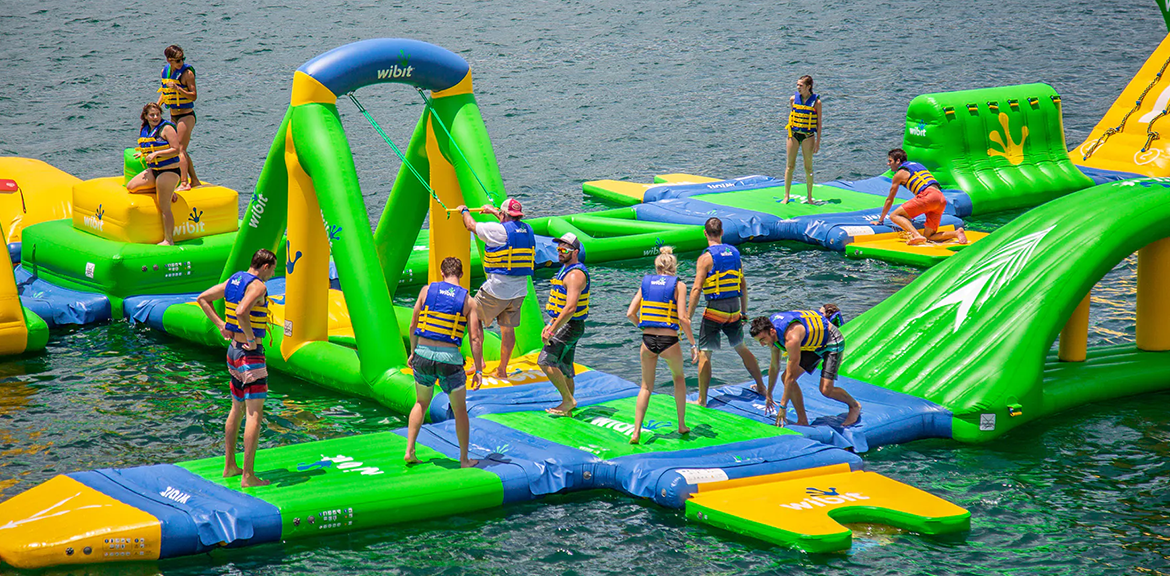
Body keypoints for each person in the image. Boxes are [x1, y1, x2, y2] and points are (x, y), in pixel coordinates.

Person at [195, 248, 278, 488]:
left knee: (236, 408)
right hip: (250, 354)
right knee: (254, 414)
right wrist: (251, 339)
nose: (272, 275)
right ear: (265, 266)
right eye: (272, 270)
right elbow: (242, 311)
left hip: (232, 351)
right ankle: (248, 476)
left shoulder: (235, 279)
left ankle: (230, 466)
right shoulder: (258, 286)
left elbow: (203, 298)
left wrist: (221, 324)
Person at [404, 257, 484, 468]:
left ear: (442, 273)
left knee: (421, 403)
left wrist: (413, 352)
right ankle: (465, 459)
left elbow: (413, 325)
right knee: (459, 410)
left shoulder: (425, 291)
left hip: (423, 355)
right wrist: (478, 369)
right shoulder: (469, 301)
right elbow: (475, 338)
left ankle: (410, 451)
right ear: (461, 274)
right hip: (449, 361)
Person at [687, 217, 765, 406]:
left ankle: (702, 400)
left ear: (705, 233)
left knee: (705, 354)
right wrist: (744, 311)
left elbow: (697, 289)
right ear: (722, 233)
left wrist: (687, 316)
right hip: (734, 309)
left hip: (715, 310)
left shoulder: (705, 258)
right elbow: (742, 285)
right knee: (741, 348)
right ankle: (762, 386)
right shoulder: (735, 254)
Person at [455, 198, 534, 379]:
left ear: (504, 215)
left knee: (473, 315)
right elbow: (507, 222)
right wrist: (492, 210)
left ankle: (478, 361)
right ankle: (502, 369)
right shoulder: (528, 230)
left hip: (497, 289)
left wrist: (464, 210)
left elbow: (471, 225)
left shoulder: (496, 230)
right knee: (508, 329)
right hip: (520, 290)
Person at [626, 246, 698, 444]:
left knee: (646, 386)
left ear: (657, 267)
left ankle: (636, 432)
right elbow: (683, 318)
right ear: (674, 267)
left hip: (647, 341)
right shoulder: (679, 285)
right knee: (678, 379)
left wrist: (643, 328)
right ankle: (681, 424)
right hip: (669, 341)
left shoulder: (646, 285)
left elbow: (630, 313)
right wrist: (693, 344)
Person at [750, 309, 861, 427]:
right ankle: (803, 421)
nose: (762, 344)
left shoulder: (791, 338)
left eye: (762, 340)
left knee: (826, 390)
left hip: (831, 342)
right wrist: (769, 394)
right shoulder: (772, 336)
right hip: (811, 346)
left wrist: (783, 407)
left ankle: (854, 405)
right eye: (759, 341)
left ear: (772, 331)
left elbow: (791, 377)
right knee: (784, 377)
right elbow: (774, 366)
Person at [539, 233, 590, 417]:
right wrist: (550, 323)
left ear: (575, 252)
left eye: (565, 249)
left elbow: (570, 308)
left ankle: (568, 400)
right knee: (565, 367)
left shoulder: (575, 275)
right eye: (558, 248)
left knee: (545, 361)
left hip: (570, 325)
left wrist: (553, 329)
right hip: (569, 325)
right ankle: (568, 406)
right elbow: (560, 306)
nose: (560, 252)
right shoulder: (566, 270)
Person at [878, 148, 968, 246]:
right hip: (941, 198)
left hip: (928, 196)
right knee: (929, 236)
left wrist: (881, 220)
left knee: (895, 215)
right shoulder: (918, 165)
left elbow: (890, 199)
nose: (888, 164)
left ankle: (916, 235)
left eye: (890, 161)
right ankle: (956, 233)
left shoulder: (899, 174)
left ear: (898, 160)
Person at [127, 102, 181, 245]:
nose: (155, 117)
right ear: (145, 116)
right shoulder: (145, 128)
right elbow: (146, 145)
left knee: (164, 207)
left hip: (169, 171)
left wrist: (156, 154)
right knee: (131, 187)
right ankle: (168, 191)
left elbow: (176, 149)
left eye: (157, 114)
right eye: (152, 115)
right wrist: (143, 153)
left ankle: (169, 240)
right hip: (155, 170)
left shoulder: (167, 128)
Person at [157, 45, 200, 190]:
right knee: (182, 150)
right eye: (177, 60)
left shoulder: (187, 73)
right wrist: (157, 106)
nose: (180, 62)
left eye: (182, 59)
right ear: (169, 60)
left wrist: (178, 89)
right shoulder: (165, 72)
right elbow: (165, 91)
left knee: (180, 148)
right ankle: (194, 180)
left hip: (186, 115)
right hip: (173, 116)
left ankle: (184, 183)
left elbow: (193, 96)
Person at [782, 75, 822, 205]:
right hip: (793, 134)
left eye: (801, 85)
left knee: (808, 167)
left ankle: (810, 197)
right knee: (790, 165)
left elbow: (819, 124)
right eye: (797, 85)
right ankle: (786, 196)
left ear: (808, 86)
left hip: (808, 136)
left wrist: (817, 143)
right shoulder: (793, 99)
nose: (798, 87)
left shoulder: (817, 103)